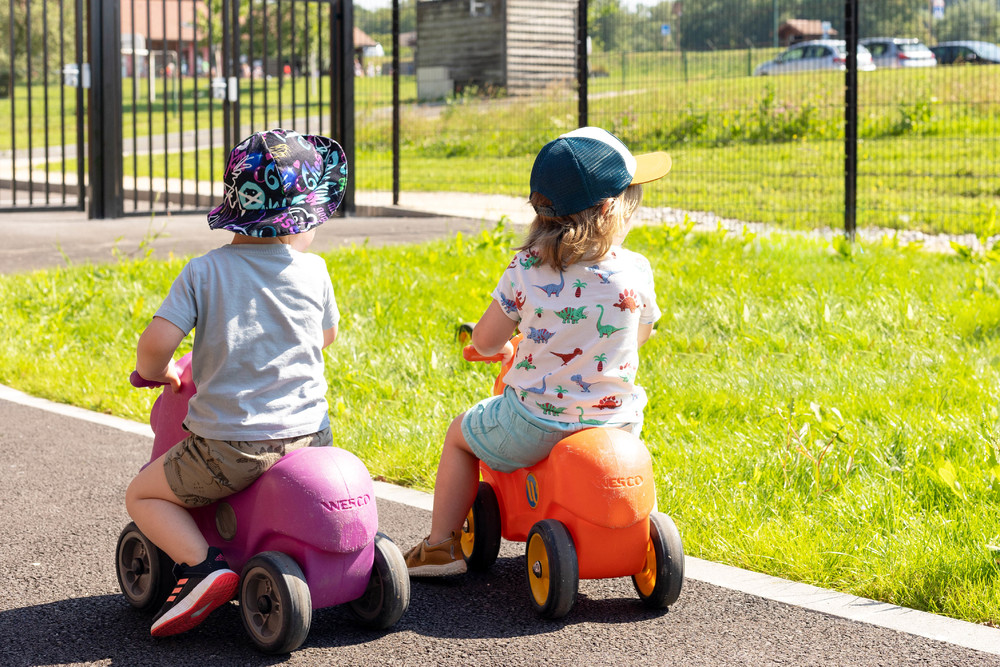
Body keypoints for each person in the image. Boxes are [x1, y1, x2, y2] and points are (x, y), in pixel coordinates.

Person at [404, 126, 671, 576]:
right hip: (617, 421)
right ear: (609, 208)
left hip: (536, 421)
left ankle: (439, 548)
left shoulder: (526, 267)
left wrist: (503, 344)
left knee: (459, 437)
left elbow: (485, 341)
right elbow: (639, 336)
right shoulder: (636, 269)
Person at [125, 128, 348, 636]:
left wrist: (154, 373)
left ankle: (202, 566)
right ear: (299, 221)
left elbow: (156, 344)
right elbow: (326, 335)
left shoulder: (205, 272)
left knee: (142, 495)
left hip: (232, 446)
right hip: (312, 437)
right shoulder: (314, 271)